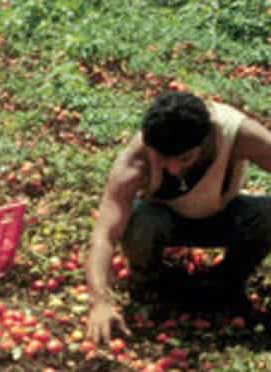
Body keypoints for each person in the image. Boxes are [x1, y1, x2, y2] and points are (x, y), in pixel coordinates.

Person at [85, 91, 271, 346]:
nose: (173, 169)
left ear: (204, 141)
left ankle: (226, 281)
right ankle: (151, 283)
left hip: (224, 216)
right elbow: (104, 234)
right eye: (161, 159)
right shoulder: (135, 160)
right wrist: (100, 301)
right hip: (163, 223)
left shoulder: (238, 134)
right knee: (139, 221)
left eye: (184, 158)